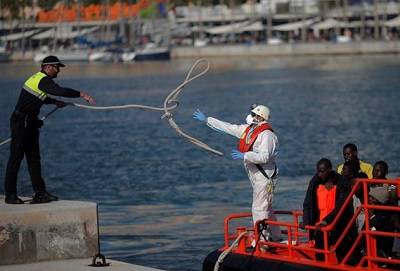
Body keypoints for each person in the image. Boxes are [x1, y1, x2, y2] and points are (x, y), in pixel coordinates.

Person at [4, 55, 96, 204]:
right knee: (15, 159)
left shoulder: (39, 80)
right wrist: (81, 94)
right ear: (47, 67)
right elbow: (59, 90)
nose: (58, 70)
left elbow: (39, 97)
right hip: (21, 122)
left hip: (30, 122)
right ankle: (10, 195)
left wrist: (54, 102)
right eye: (57, 67)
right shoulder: (43, 80)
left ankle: (40, 193)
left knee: (34, 160)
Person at [193, 104, 281, 241]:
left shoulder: (267, 135)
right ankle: (276, 236)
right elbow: (229, 127)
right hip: (256, 176)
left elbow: (264, 157)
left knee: (259, 208)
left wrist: (245, 156)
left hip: (265, 176)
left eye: (253, 114)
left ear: (260, 117)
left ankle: (262, 240)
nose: (250, 116)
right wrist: (207, 120)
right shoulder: (249, 130)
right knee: (266, 207)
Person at [302, 158, 356, 262]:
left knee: (344, 257)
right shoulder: (315, 181)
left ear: (329, 170)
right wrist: (306, 221)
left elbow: (342, 206)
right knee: (320, 257)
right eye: (318, 171)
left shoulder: (341, 182)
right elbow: (308, 202)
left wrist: (327, 220)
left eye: (322, 171)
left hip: (338, 226)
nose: (319, 174)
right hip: (320, 228)